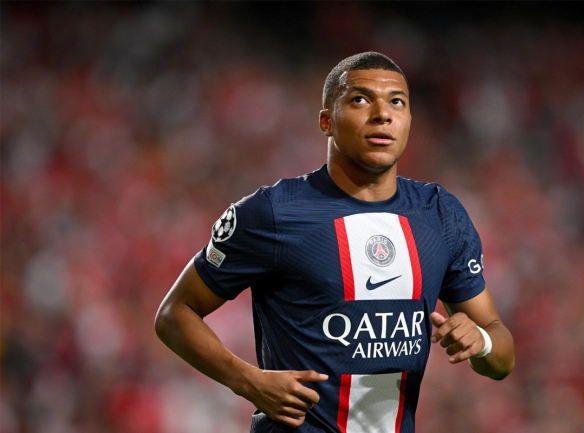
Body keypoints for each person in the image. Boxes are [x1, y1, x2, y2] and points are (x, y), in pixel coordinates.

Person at [155, 52, 515, 432]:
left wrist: (482, 341)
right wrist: (248, 380)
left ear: (409, 119)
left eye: (397, 102)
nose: (382, 114)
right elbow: (175, 313)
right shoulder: (273, 212)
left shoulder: (440, 215)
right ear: (327, 121)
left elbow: (501, 356)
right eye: (360, 99)